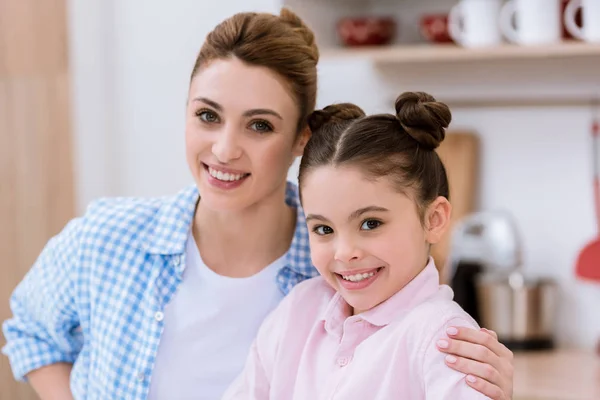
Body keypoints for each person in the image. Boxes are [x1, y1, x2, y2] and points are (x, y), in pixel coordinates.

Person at [2, 8, 513, 400]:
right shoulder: (110, 236)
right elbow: (28, 329)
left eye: (260, 124)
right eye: (207, 115)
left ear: (300, 139)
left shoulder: (334, 279)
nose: (225, 149)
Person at [222, 92, 500, 399]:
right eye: (324, 228)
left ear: (433, 219)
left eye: (370, 223)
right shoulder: (297, 311)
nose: (344, 252)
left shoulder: (448, 340)